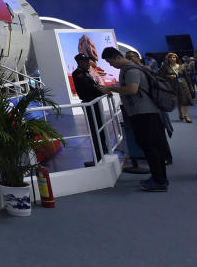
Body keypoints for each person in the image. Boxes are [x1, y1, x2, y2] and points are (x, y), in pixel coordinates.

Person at [100, 47, 169, 191]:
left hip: (145, 113)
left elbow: (132, 89)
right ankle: (158, 178)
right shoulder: (128, 69)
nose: (110, 65)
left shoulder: (131, 70)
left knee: (151, 147)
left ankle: (160, 181)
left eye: (110, 62)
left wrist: (111, 89)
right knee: (150, 146)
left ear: (116, 58)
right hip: (142, 113)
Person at [128, 51, 174, 164]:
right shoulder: (140, 69)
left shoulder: (144, 69)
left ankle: (166, 157)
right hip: (150, 106)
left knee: (159, 134)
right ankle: (163, 156)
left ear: (137, 58)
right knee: (156, 134)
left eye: (131, 57)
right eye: (127, 57)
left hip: (154, 105)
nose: (129, 59)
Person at [72, 53, 106, 166]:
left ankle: (103, 150)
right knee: (95, 129)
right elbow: (89, 88)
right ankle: (98, 155)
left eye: (88, 61)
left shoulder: (87, 73)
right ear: (79, 62)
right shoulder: (78, 74)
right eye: (85, 61)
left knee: (100, 127)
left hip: (94, 103)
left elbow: (93, 85)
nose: (88, 63)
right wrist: (102, 90)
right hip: (89, 103)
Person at [161, 53, 193, 122]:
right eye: (171, 57)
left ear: (176, 58)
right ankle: (180, 113)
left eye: (174, 57)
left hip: (183, 85)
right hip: (173, 85)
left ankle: (186, 116)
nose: (172, 59)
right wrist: (168, 76)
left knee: (185, 99)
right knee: (177, 100)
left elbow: (186, 77)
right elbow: (160, 76)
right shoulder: (165, 67)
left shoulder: (181, 66)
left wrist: (190, 86)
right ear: (168, 59)